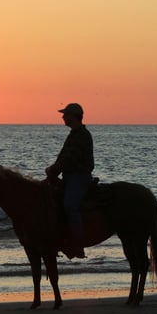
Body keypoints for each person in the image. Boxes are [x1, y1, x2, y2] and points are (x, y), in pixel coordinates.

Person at [45, 102, 94, 259]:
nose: (63, 117)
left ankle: (78, 244)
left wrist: (54, 169)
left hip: (79, 177)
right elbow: (63, 157)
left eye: (66, 114)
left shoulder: (82, 135)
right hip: (69, 176)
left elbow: (70, 159)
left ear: (74, 116)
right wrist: (53, 169)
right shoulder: (74, 134)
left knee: (70, 206)